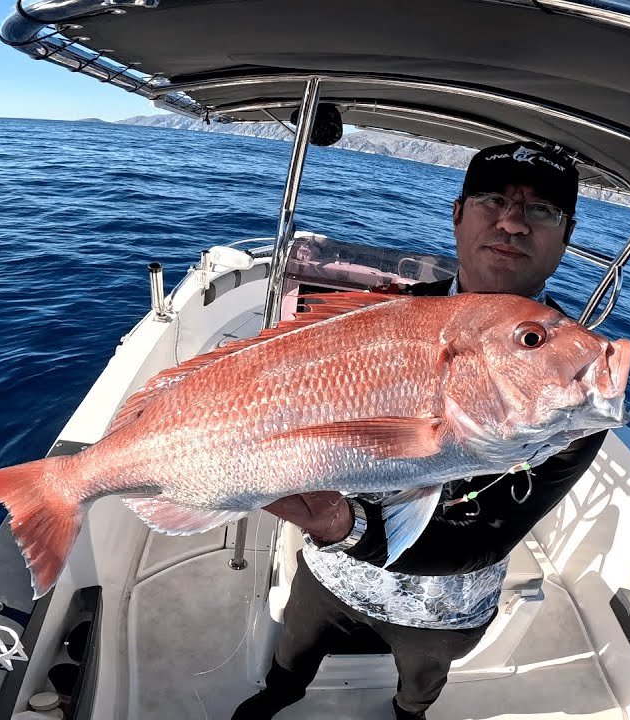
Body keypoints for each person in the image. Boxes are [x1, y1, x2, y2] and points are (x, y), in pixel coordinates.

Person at [232, 141, 608, 720]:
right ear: (458, 214)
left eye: (542, 210)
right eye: (492, 199)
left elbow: (487, 540)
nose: (512, 223)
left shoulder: (571, 380)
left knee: (418, 691)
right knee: (290, 659)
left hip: (443, 608)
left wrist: (341, 525)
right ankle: (278, 695)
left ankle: (409, 713)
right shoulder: (378, 316)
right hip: (332, 573)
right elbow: (283, 394)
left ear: (566, 235)